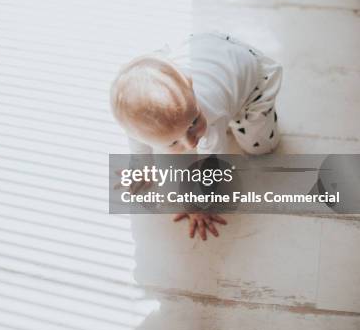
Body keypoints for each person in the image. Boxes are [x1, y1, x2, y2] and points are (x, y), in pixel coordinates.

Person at [110, 31, 282, 240]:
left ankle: (242, 110)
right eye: (174, 141)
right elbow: (137, 143)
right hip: (206, 50)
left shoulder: (209, 115)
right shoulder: (139, 121)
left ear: (191, 86)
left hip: (251, 79)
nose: (191, 141)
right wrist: (142, 167)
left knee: (260, 147)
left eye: (193, 122)